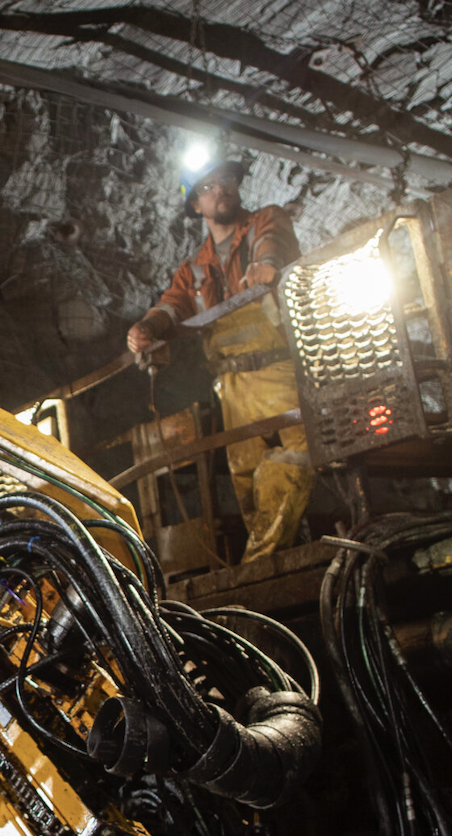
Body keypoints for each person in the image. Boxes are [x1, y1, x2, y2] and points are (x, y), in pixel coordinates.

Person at [126, 155, 313, 564]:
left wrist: (266, 265)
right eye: (209, 186)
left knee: (295, 456)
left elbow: (272, 244)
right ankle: (277, 561)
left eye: (226, 180)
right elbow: (173, 306)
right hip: (232, 385)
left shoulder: (265, 221)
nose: (221, 189)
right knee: (246, 483)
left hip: (279, 368)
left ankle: (260, 567)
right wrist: (148, 329)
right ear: (196, 205)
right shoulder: (196, 268)